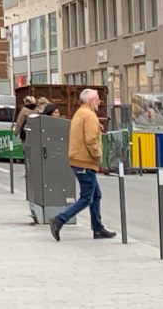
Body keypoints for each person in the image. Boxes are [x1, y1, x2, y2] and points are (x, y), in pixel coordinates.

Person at [50, 89, 115, 242]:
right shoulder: (90, 116)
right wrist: (98, 155)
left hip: (78, 160)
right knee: (86, 198)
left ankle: (98, 228)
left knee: (96, 195)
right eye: (97, 99)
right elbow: (91, 140)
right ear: (91, 101)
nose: (99, 102)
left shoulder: (80, 113)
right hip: (85, 162)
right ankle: (60, 219)